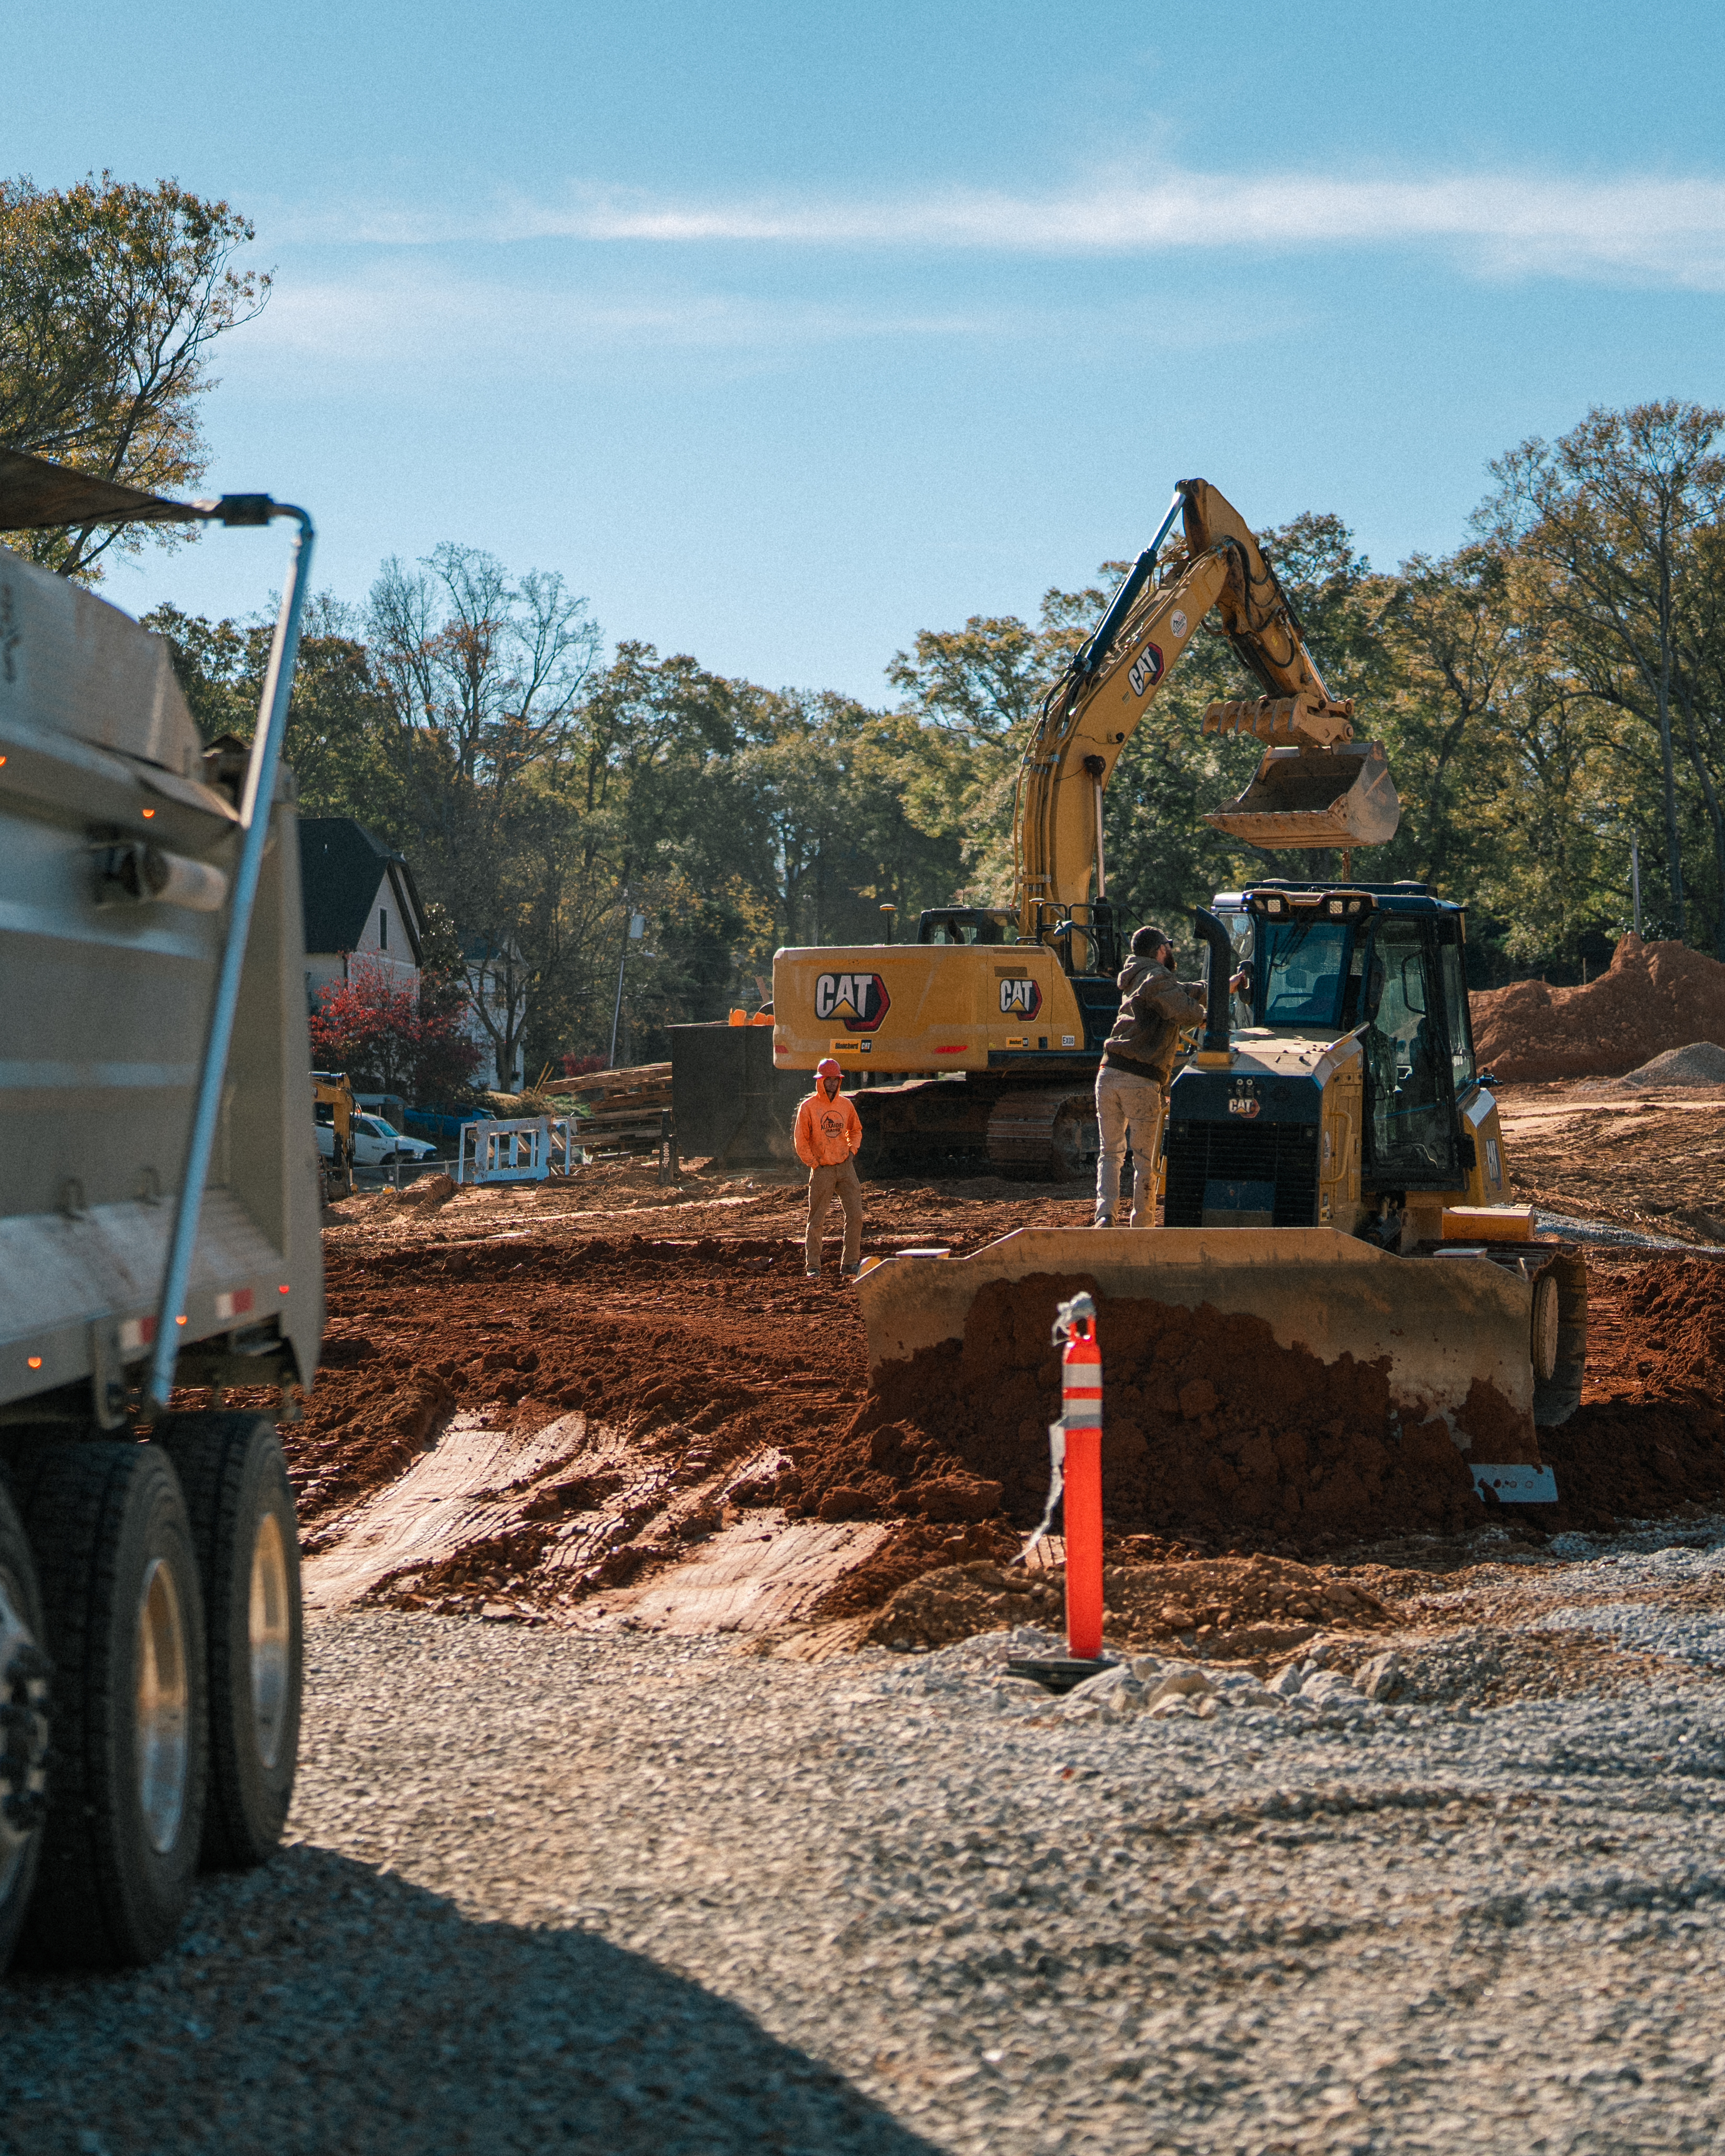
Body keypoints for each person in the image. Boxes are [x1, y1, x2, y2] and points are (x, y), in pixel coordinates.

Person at [1093, 927, 1208, 1228]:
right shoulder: (1156, 977)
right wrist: (1206, 1013)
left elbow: (1179, 990)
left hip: (1108, 1074)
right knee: (1145, 1160)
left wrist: (1221, 985)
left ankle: (1105, 1216)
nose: (1171, 952)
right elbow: (1187, 1011)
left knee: (1111, 1152)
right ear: (1160, 950)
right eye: (1169, 947)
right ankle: (1142, 1224)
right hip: (1140, 1079)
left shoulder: (1137, 976)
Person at [796, 1056, 864, 1280]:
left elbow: (855, 1130)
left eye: (836, 1079)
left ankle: (850, 1264)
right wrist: (814, 1163)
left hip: (845, 1168)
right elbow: (801, 1140)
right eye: (828, 1080)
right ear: (820, 1081)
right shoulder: (809, 1107)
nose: (832, 1084)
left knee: (856, 1216)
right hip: (822, 1170)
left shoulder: (846, 1105)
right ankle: (813, 1266)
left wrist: (852, 1153)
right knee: (817, 1220)